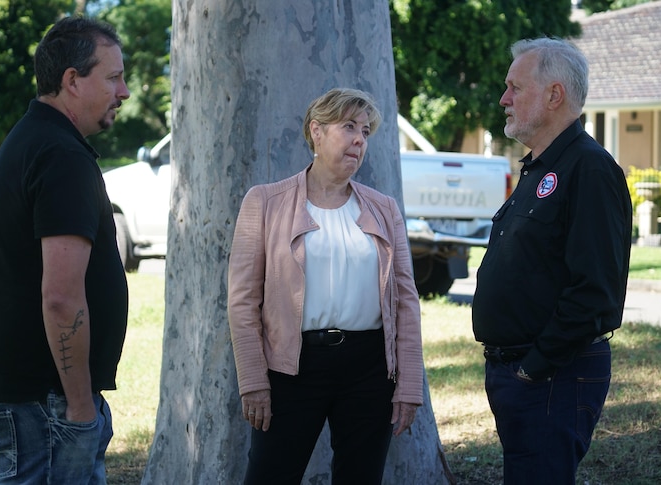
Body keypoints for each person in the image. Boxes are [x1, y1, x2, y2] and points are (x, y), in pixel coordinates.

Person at [227, 88, 424, 484]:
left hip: (369, 370)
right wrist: (252, 382)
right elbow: (242, 300)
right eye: (348, 126)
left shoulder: (384, 208)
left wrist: (409, 384)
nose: (359, 139)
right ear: (316, 132)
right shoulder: (265, 202)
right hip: (292, 369)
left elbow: (406, 299)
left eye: (365, 131)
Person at [0, 16, 131, 484]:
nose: (125, 92)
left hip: (33, 394)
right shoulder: (60, 155)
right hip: (44, 400)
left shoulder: (34, 138)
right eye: (114, 77)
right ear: (72, 81)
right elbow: (61, 297)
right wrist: (80, 405)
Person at [471, 37, 632, 483]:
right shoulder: (539, 168)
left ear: (554, 95)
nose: (503, 99)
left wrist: (532, 369)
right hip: (524, 375)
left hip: (552, 378)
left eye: (514, 88)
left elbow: (594, 291)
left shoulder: (590, 169)